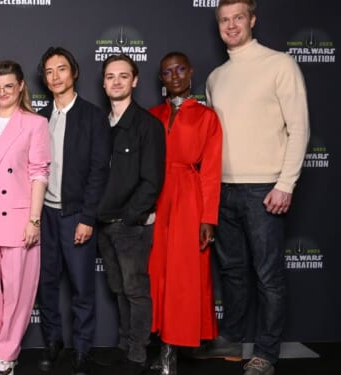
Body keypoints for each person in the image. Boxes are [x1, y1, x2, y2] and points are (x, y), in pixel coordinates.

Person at [194, 1, 310, 374]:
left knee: (268, 276)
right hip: (224, 190)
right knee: (231, 272)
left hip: (264, 189)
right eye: (224, 20)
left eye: (238, 17)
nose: (231, 25)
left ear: (252, 20)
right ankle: (230, 341)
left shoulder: (279, 64)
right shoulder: (216, 77)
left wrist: (285, 184)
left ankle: (266, 353)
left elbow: (300, 128)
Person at [0, 60, 51, 375]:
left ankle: (8, 352)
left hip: (17, 218)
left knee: (17, 290)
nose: (2, 92)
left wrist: (34, 220)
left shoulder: (34, 124)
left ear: (20, 87)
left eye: (8, 86)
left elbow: (39, 174)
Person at [36, 46, 111, 375]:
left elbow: (99, 171)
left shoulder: (93, 116)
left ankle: (81, 350)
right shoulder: (38, 118)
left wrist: (87, 218)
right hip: (44, 215)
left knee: (82, 286)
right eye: (49, 72)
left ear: (74, 72)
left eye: (61, 69)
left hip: (74, 214)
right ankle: (53, 343)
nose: (55, 77)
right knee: (46, 283)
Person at [147, 51, 222, 375]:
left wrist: (208, 219)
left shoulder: (207, 117)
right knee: (155, 274)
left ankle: (171, 354)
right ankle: (156, 345)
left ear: (190, 73)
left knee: (182, 277)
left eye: (180, 69)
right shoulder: (151, 115)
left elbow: (211, 171)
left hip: (189, 198)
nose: (174, 76)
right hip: (155, 197)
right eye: (167, 72)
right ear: (161, 79)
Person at [96, 54, 166, 375]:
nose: (117, 82)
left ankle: (137, 353)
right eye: (111, 76)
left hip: (130, 225)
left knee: (136, 289)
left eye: (124, 76)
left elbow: (152, 180)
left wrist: (131, 217)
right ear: (104, 82)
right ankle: (125, 345)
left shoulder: (147, 125)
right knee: (119, 288)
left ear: (135, 80)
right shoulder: (100, 124)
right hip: (103, 222)